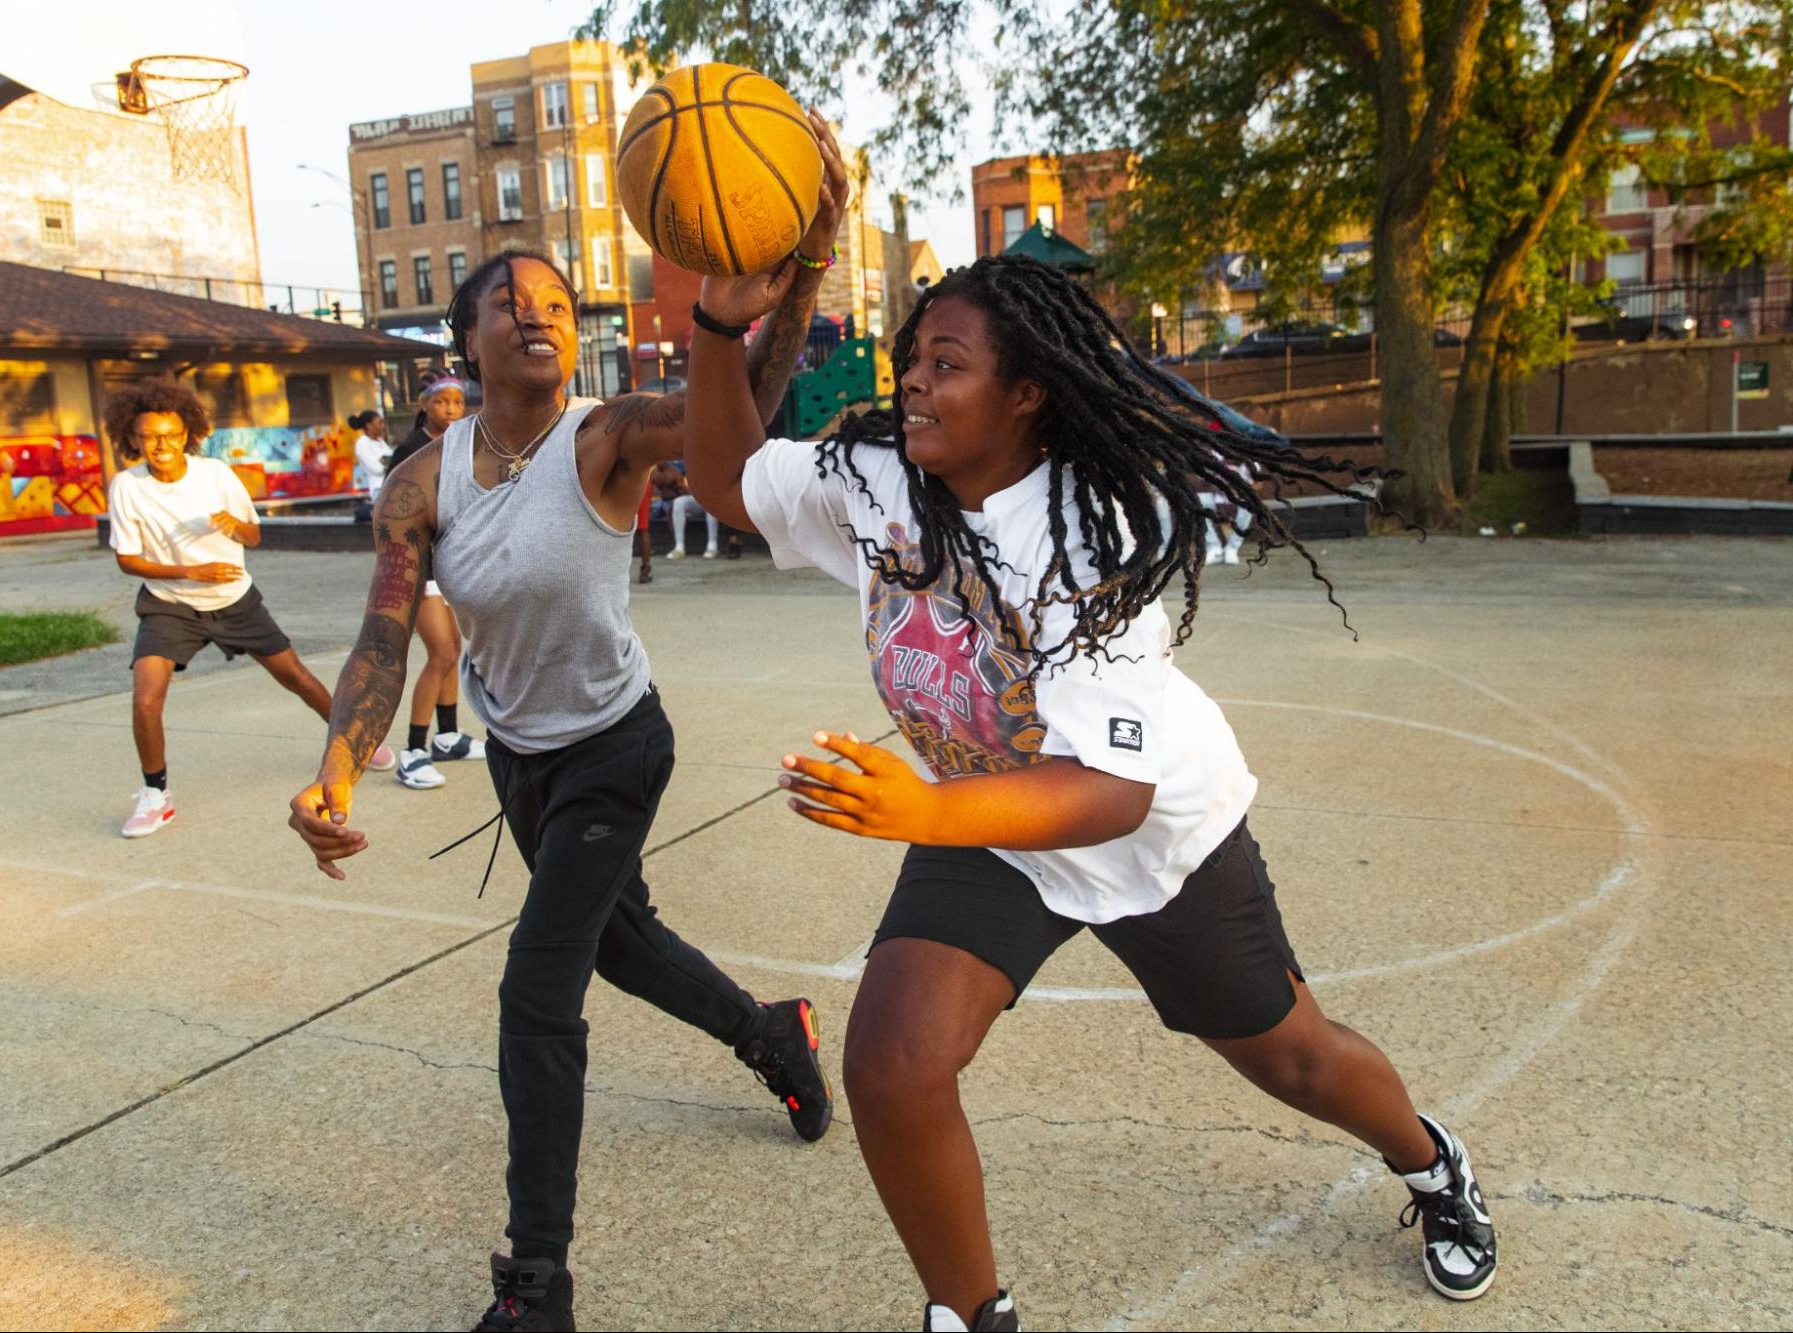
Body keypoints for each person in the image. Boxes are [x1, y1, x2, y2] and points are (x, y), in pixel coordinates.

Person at [682, 254, 1497, 1332]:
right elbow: (724, 483)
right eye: (910, 358)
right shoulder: (877, 473)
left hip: (1145, 833)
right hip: (993, 819)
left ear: (1025, 393)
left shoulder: (1085, 537)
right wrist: (709, 329)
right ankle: (971, 1316)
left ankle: (1430, 1160)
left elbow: (1110, 791)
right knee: (892, 1061)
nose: (912, 381)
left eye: (947, 362)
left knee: (1291, 1055)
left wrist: (919, 811)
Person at [285, 115, 850, 1333]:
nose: (538, 315)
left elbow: (735, 417)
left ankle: (534, 1282)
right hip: (521, 766)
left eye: (555, 302)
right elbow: (387, 634)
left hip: (616, 747)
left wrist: (791, 277)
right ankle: (777, 1036)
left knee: (538, 991)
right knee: (617, 944)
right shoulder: (422, 479)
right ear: (468, 337)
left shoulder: (604, 437)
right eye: (510, 303)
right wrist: (336, 769)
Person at [106, 379, 393, 839]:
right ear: (133, 438)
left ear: (186, 435)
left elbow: (255, 536)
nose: (161, 444)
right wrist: (190, 573)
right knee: (145, 698)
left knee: (295, 676)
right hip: (169, 606)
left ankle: (355, 742)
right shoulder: (127, 487)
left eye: (170, 434)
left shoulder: (215, 474)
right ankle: (156, 795)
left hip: (234, 599)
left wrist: (234, 524)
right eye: (149, 436)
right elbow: (126, 559)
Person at [387, 375, 487, 789]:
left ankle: (448, 737)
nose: (451, 409)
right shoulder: (411, 450)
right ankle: (413, 751)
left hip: (447, 564)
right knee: (441, 653)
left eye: (458, 402)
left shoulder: (460, 443)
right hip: (417, 566)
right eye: (442, 401)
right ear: (424, 405)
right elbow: (398, 511)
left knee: (454, 650)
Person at [654, 460, 721, 560]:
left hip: (712, 501)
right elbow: (685, 486)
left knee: (710, 504)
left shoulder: (715, 465)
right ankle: (679, 547)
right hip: (697, 499)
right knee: (679, 502)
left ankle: (712, 545)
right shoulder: (690, 465)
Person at [349, 409, 390, 518]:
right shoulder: (362, 444)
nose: (383, 426)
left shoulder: (381, 442)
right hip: (379, 490)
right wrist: (387, 461)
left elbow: (392, 460)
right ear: (369, 425)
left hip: (391, 485)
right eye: (379, 423)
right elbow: (377, 469)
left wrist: (385, 461)